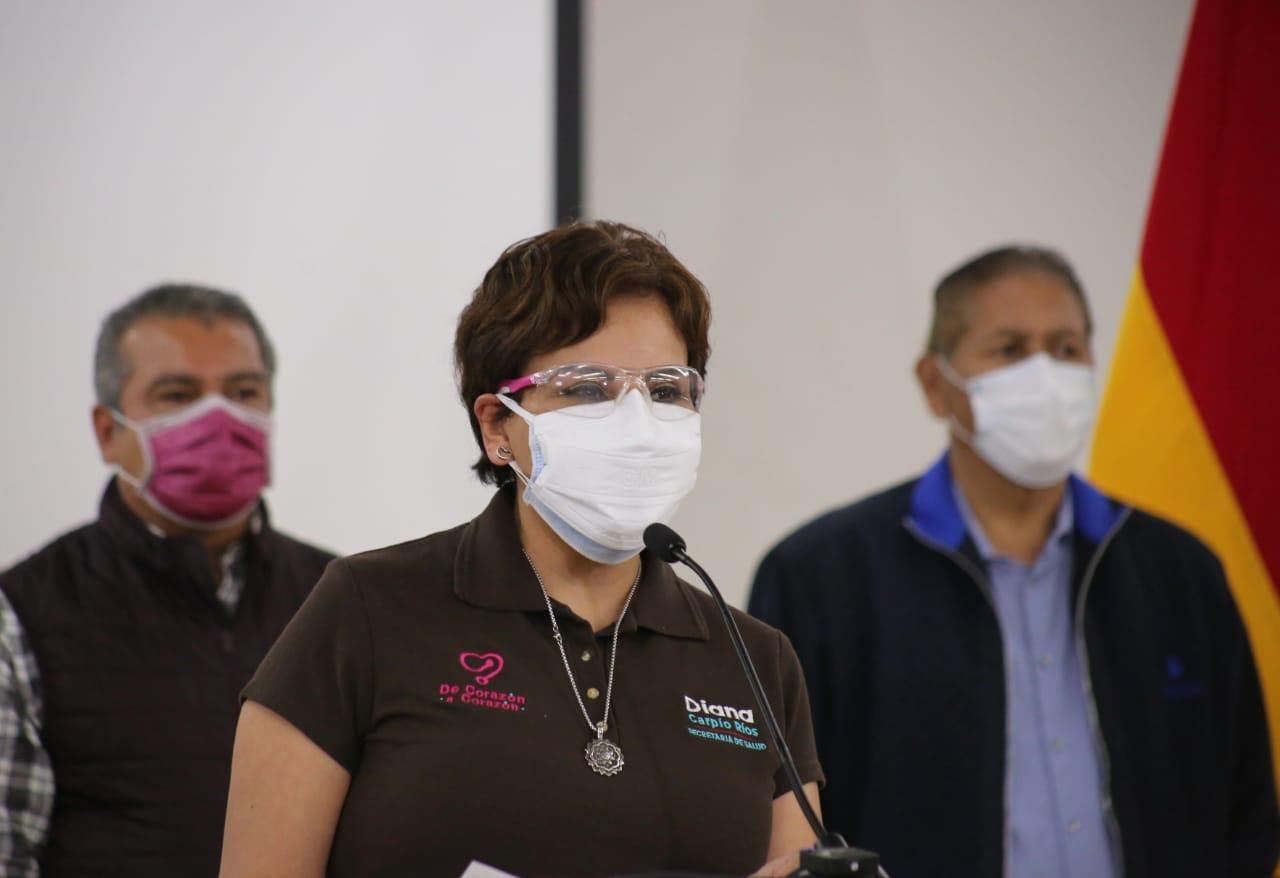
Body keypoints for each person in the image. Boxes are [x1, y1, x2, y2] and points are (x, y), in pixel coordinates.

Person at [220, 221, 825, 878]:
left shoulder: (755, 659)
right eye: (588, 388)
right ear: (496, 425)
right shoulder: (367, 610)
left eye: (666, 390)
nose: (637, 422)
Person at [748, 246, 1280, 878]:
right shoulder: (821, 579)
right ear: (935, 383)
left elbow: (1245, 809)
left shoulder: (1179, 571)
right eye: (1008, 349)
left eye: (1065, 348)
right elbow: (786, 823)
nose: (1044, 375)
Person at [0, 285, 334, 877]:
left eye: (243, 393)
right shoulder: (21, 612)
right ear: (108, 432)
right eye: (177, 395)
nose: (219, 418)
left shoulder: (340, 597)